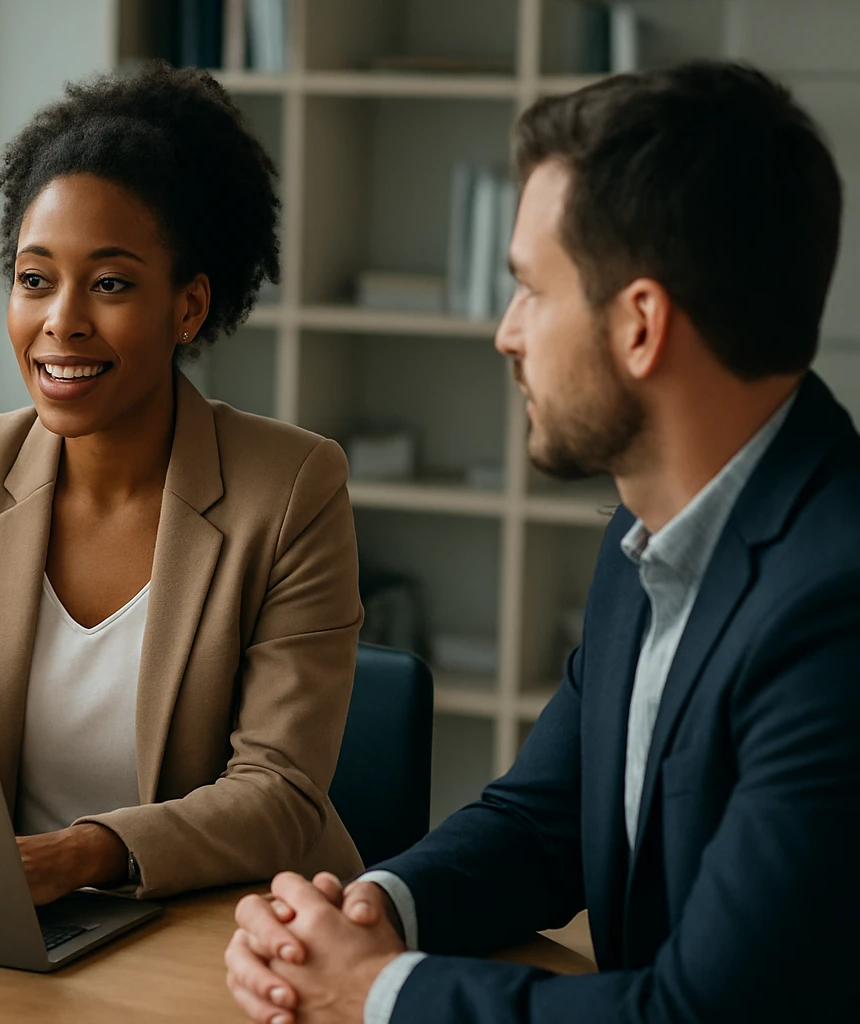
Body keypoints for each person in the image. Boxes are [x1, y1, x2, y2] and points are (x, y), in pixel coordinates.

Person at [226, 60, 859, 1024]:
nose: (506, 333)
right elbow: (544, 821)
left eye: (529, 289)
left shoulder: (835, 607)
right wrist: (373, 912)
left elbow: (705, 1015)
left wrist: (374, 993)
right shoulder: (650, 531)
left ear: (641, 325)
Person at [0, 64, 364, 903]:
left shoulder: (293, 486)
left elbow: (279, 794)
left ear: (188, 308)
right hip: (23, 915)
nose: (62, 320)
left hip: (224, 922)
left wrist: (79, 856)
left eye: (111, 283)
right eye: (34, 278)